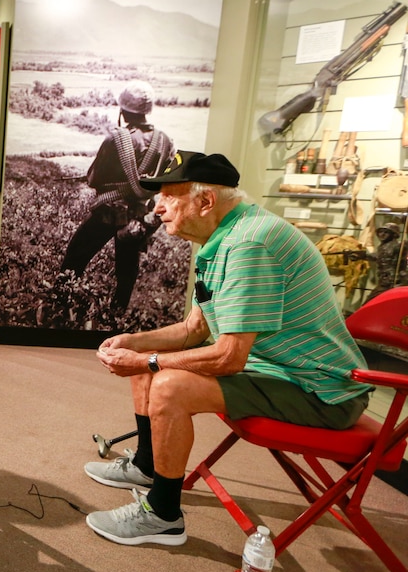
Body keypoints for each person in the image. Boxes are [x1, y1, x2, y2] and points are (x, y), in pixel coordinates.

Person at [85, 151, 370, 547]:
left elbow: (227, 357)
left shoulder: (251, 244)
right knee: (146, 368)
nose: (157, 206)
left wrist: (147, 359)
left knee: (168, 385)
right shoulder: (221, 240)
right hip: (273, 370)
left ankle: (163, 515)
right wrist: (133, 344)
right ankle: (148, 466)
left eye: (169, 196)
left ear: (206, 201)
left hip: (319, 390)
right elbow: (193, 329)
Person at [58, 81, 176, 312]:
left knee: (76, 256)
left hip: (109, 212)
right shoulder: (165, 141)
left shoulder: (116, 139)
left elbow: (94, 178)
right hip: (140, 215)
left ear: (123, 110)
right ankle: (117, 316)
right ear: (148, 110)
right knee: (127, 268)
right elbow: (166, 180)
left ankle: (60, 305)